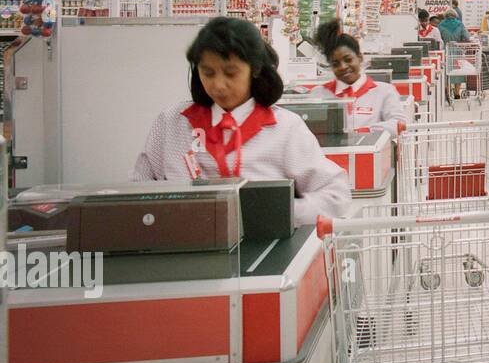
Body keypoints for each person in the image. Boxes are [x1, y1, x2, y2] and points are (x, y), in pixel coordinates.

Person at [132, 16, 350, 228]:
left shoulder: (284, 128)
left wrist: (279, 213)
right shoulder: (172, 123)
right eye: (207, 73)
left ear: (254, 69)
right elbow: (139, 187)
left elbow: (336, 194)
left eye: (231, 73)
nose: (218, 85)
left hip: (264, 253)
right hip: (184, 247)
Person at [309, 19, 408, 137]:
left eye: (348, 60)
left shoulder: (384, 92)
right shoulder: (319, 93)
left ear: (359, 58)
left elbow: (399, 124)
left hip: (372, 155)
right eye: (336, 64)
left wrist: (362, 132)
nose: (343, 67)